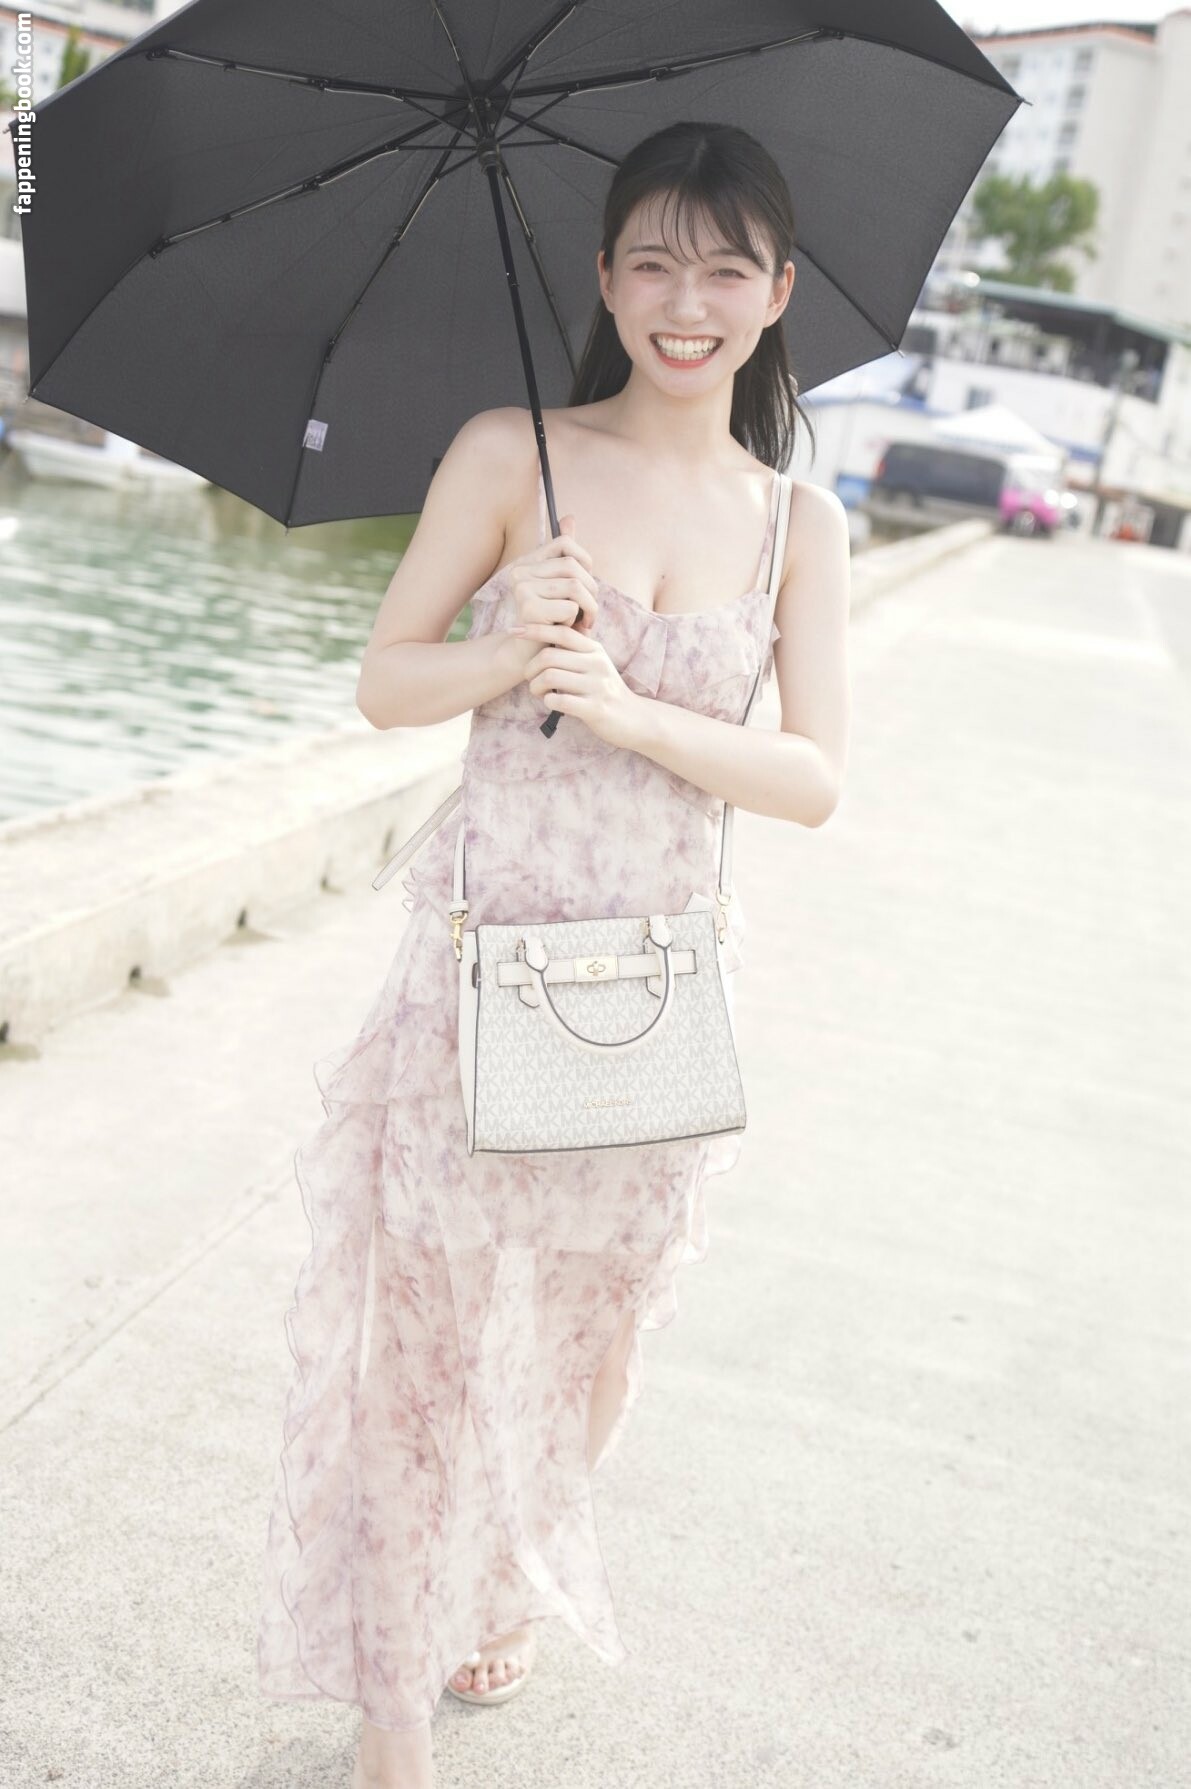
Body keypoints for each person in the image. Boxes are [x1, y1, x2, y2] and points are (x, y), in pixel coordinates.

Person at [256, 120, 851, 1789]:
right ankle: (390, 1726)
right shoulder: (510, 455)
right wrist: (504, 642)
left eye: (723, 268)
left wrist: (636, 712)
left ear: (778, 292)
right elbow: (385, 680)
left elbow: (814, 776)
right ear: (601, 278)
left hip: (649, 1000)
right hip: (476, 981)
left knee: (597, 1342)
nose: (685, 301)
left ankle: (502, 1576)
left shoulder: (797, 523)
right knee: (425, 1350)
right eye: (651, 261)